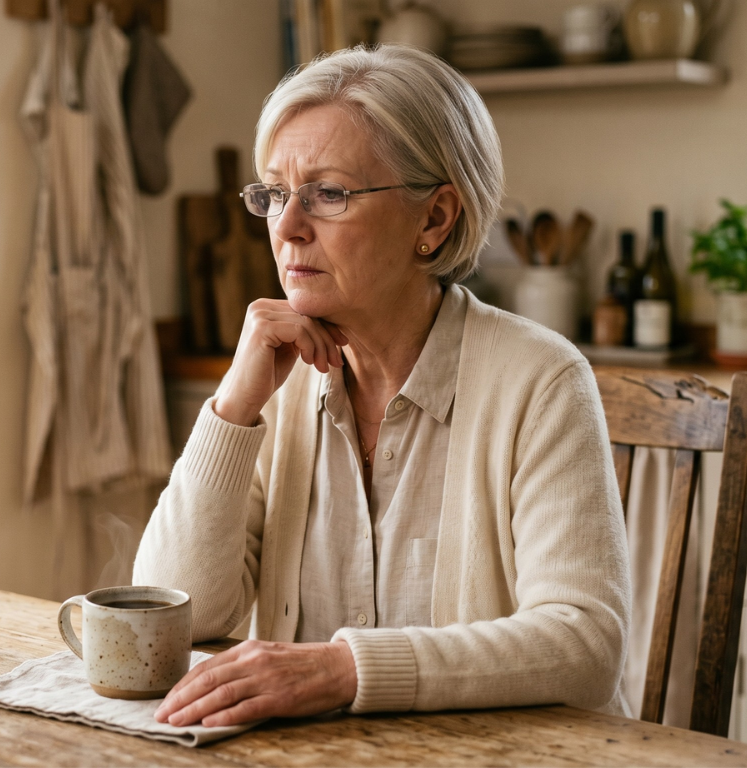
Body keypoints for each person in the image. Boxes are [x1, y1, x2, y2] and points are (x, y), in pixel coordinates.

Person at [133, 45, 631, 729]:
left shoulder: (542, 380)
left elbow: (584, 643)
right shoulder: (275, 378)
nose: (285, 226)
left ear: (434, 220)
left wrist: (341, 670)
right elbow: (176, 614)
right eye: (275, 193)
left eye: (328, 193)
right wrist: (232, 409)